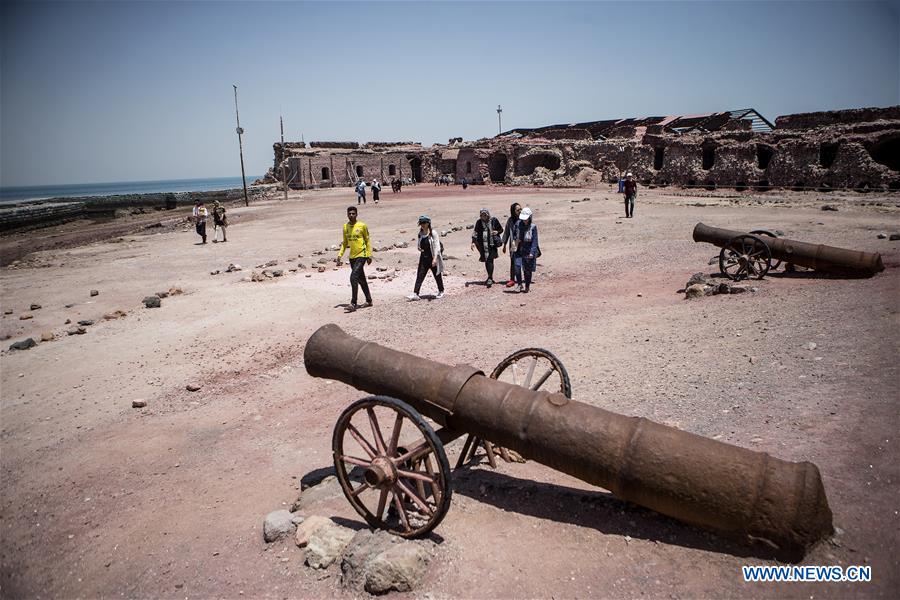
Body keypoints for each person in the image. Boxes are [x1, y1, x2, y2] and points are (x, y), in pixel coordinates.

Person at [336, 206, 373, 311]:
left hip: (362, 255)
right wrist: (340, 255)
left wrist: (369, 255)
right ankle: (369, 300)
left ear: (357, 214)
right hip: (352, 257)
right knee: (361, 279)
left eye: (353, 213)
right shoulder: (345, 227)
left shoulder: (362, 226)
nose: (351, 215)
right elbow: (345, 243)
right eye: (349, 213)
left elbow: (367, 241)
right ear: (347, 214)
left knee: (353, 277)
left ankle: (353, 303)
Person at [407, 215, 445, 301]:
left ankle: (441, 290)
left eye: (424, 223)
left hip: (432, 256)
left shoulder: (433, 233)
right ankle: (415, 293)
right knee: (420, 275)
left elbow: (437, 247)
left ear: (428, 223)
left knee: (437, 275)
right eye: (421, 223)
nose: (422, 225)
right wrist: (419, 248)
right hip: (423, 257)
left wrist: (435, 258)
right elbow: (419, 244)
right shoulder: (420, 234)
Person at [470, 207, 503, 287]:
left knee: (490, 260)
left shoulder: (494, 220)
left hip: (491, 245)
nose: (483, 216)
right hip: (482, 245)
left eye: (485, 214)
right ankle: (490, 277)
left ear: (488, 214)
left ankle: (490, 278)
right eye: (482, 215)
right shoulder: (479, 222)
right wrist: (473, 242)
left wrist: (497, 231)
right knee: (486, 260)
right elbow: (475, 232)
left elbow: (501, 229)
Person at [513, 206, 540, 293]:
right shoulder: (517, 224)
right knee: (517, 267)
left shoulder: (533, 227)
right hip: (518, 250)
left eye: (526, 219)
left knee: (527, 270)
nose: (525, 221)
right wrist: (516, 241)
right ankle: (519, 284)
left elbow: (535, 241)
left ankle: (527, 286)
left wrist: (532, 252)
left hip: (528, 251)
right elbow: (514, 234)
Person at [501, 202, 522, 287]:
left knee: (524, 262)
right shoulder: (510, 220)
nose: (520, 211)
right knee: (513, 262)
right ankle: (512, 279)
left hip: (523, 244)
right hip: (513, 244)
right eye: (518, 210)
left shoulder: (524, 218)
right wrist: (504, 245)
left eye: (521, 209)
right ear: (513, 211)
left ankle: (525, 280)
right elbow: (506, 232)